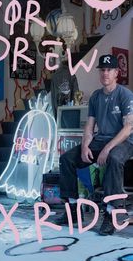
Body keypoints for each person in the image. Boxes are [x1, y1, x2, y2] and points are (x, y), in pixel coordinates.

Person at [53, 54, 133, 235]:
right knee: (67, 159)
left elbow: (128, 128)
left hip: (125, 141)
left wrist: (107, 148)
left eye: (109, 70)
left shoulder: (125, 95)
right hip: (101, 140)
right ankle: (73, 211)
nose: (105, 73)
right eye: (102, 70)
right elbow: (89, 126)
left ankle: (111, 214)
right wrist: (84, 147)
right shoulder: (96, 97)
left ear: (116, 73)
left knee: (113, 158)